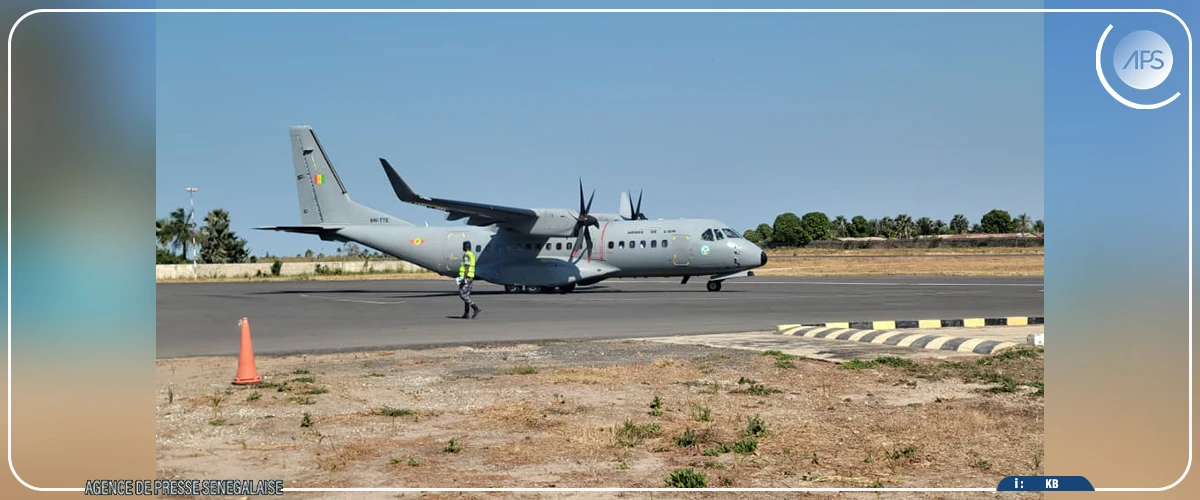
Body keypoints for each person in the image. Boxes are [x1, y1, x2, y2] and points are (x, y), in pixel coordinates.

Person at [457, 240, 481, 319]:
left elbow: (466, 266)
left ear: (465, 247)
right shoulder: (472, 255)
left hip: (466, 277)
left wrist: (463, 278)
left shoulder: (466, 255)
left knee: (462, 295)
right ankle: (466, 313)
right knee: (467, 295)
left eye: (463, 246)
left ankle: (475, 308)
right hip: (470, 276)